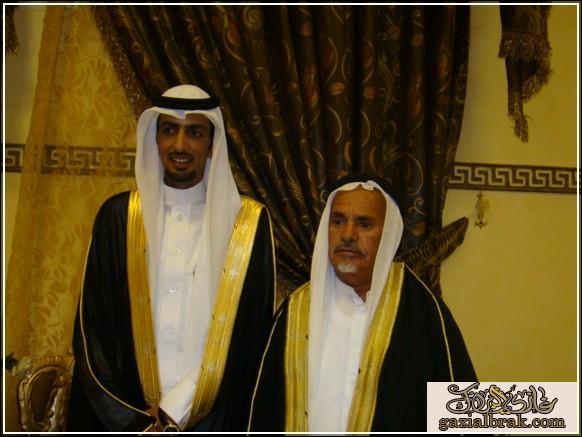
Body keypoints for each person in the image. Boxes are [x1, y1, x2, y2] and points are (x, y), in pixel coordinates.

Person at [67, 84, 275, 432]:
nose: (180, 145)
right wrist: (130, 419)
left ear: (212, 142)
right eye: (169, 130)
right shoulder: (118, 218)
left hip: (213, 420)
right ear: (155, 137)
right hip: (127, 420)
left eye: (195, 132)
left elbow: (249, 334)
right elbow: (93, 334)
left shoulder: (248, 224)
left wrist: (175, 409)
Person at [248, 173, 476, 432]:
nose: (347, 234)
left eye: (364, 224)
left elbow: (470, 415)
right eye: (338, 221)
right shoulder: (295, 311)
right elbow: (261, 413)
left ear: (388, 235)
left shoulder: (423, 312)